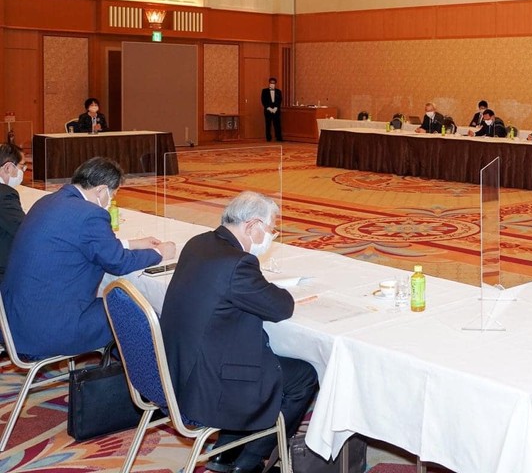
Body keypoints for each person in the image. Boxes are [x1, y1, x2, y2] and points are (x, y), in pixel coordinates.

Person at [160, 192, 317, 473]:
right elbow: (280, 307)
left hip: (180, 366)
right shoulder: (237, 263)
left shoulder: (199, 243)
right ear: (252, 225)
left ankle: (225, 453)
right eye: (270, 229)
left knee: (260, 353)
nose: (270, 237)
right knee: (304, 376)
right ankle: (250, 461)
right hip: (209, 383)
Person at [0, 157, 173, 358]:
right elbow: (118, 262)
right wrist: (159, 253)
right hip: (48, 330)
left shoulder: (48, 201)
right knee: (136, 312)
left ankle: (113, 367)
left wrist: (132, 243)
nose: (111, 200)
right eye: (113, 194)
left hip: (14, 321)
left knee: (113, 303)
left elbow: (85, 243)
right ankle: (143, 375)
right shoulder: (90, 214)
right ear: (101, 190)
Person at [0, 143, 26, 282]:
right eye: (22, 167)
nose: (23, 172)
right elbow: (23, 230)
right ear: (8, 167)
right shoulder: (5, 194)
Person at [261, 77, 283, 142]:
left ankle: (278, 137)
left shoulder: (278, 91)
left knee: (277, 124)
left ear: (275, 84)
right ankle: (268, 138)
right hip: (268, 109)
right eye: (271, 83)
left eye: (273, 83)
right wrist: (269, 108)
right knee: (268, 124)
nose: (272, 84)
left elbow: (279, 100)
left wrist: (276, 108)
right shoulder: (264, 91)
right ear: (269, 83)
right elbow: (263, 100)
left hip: (276, 110)